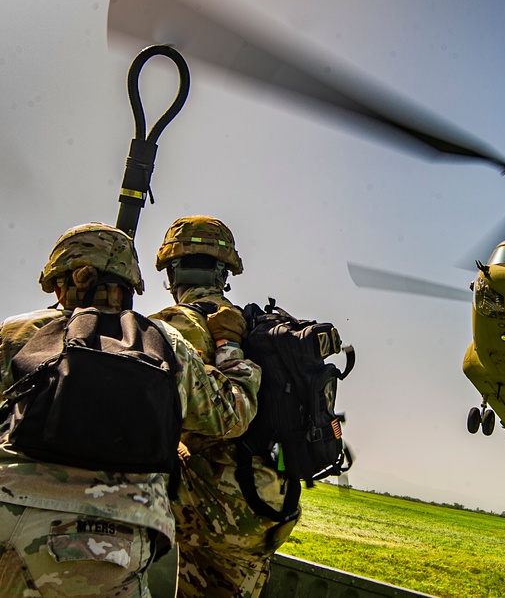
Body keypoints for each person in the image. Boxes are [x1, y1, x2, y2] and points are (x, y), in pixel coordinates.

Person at [0, 222, 260, 597]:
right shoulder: (162, 342)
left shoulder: (17, 333)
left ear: (61, 285)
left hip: (8, 511)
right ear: (128, 290)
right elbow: (232, 415)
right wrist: (230, 347)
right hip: (112, 542)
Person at [150, 215, 312, 597]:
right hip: (270, 503)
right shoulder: (250, 323)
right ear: (225, 274)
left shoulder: (173, 326)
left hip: (217, 510)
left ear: (172, 274)